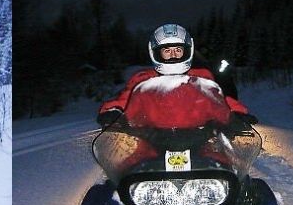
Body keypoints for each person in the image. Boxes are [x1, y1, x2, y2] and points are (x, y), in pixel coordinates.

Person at [96, 23, 255, 128]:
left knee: (224, 169)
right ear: (156, 53)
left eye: (178, 50)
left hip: (200, 136)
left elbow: (219, 100)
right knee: (129, 171)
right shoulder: (142, 78)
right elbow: (124, 100)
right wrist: (113, 111)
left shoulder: (201, 77)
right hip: (150, 139)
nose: (173, 55)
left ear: (187, 51)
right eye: (167, 51)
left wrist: (237, 113)